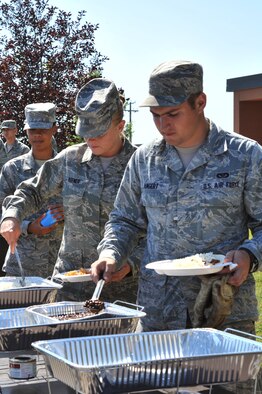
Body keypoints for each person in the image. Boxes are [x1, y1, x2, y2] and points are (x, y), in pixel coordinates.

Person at [90, 61, 262, 393]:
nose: (162, 124)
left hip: (223, 312)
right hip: (159, 315)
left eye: (172, 113)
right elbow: (124, 219)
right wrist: (111, 252)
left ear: (200, 103)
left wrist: (248, 255)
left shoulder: (245, 156)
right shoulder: (144, 159)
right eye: (156, 115)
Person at [0, 78, 142, 303]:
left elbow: (159, 228)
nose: (90, 139)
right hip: (69, 287)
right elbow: (32, 191)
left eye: (99, 133)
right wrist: (12, 216)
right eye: (86, 132)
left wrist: (132, 262)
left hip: (120, 290)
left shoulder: (141, 165)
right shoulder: (71, 159)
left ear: (120, 126)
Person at [0, 103, 64, 278]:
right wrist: (28, 226)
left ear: (54, 129)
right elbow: (2, 212)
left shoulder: (68, 166)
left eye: (43, 129)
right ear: (26, 131)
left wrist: (68, 211)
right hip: (22, 264)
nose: (37, 134)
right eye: (33, 129)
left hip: (62, 265)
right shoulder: (12, 169)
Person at [0, 120, 30, 276]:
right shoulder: (1, 148)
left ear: (16, 131)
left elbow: (27, 175)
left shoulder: (23, 149)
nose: (6, 132)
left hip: (17, 198)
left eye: (9, 130)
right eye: (4, 130)